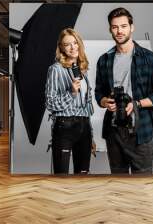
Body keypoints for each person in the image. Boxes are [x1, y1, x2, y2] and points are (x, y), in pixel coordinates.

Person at [95, 7, 153, 174]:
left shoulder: (150, 58)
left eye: (123, 26)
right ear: (110, 30)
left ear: (131, 27)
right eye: (115, 27)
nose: (119, 31)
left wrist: (137, 104)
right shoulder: (104, 60)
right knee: (118, 183)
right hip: (113, 132)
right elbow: (99, 92)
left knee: (142, 184)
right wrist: (104, 101)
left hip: (141, 130)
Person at [46, 28, 94, 174]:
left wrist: (90, 133)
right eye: (67, 44)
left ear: (79, 44)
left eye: (75, 43)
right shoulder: (55, 69)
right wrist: (71, 92)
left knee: (83, 175)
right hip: (64, 126)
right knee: (62, 176)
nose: (73, 47)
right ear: (61, 47)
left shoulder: (83, 70)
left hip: (84, 127)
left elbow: (86, 107)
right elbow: (50, 103)